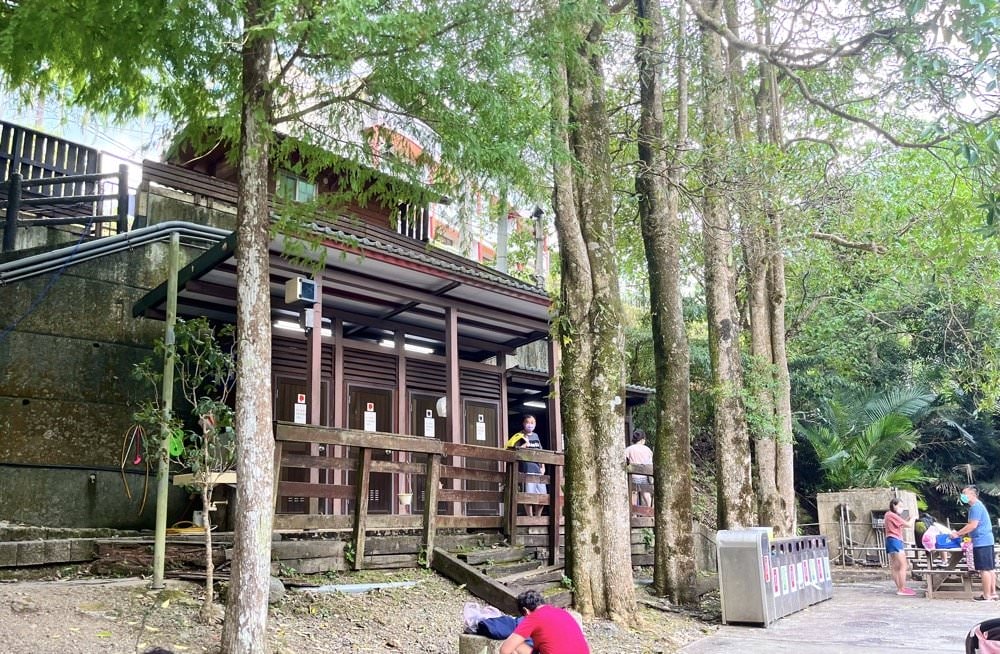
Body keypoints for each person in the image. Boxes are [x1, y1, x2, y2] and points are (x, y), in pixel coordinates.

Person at [499, 590, 590, 654]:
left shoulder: (533, 617)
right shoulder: (562, 612)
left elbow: (505, 650)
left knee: (516, 646)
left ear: (526, 611)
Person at [950, 485, 997, 601]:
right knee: (990, 568)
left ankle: (987, 596)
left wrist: (957, 534)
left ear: (973, 494)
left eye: (965, 493)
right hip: (987, 540)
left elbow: (972, 525)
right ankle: (993, 593)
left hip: (982, 541)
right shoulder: (979, 506)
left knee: (984, 569)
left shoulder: (975, 507)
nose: (963, 496)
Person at [506, 415, 546, 517]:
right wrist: (524, 445)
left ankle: (538, 517)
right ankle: (530, 517)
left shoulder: (536, 436)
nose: (530, 425)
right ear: (523, 423)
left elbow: (541, 452)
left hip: (537, 469)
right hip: (526, 469)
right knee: (528, 494)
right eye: (528, 422)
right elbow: (511, 450)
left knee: (541, 495)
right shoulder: (519, 435)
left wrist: (543, 467)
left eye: (532, 422)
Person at [884, 497, 918, 596]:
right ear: (894, 505)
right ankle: (902, 589)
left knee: (895, 566)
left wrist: (907, 520)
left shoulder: (888, 515)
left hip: (890, 540)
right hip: (895, 541)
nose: (901, 508)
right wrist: (913, 518)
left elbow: (900, 524)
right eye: (900, 506)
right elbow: (908, 525)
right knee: (904, 565)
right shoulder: (892, 515)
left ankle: (900, 587)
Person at [624, 430, 653, 509]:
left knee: (634, 494)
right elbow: (650, 463)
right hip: (644, 477)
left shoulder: (629, 449)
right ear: (642, 440)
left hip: (633, 477)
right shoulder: (647, 450)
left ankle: (634, 514)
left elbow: (624, 460)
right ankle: (650, 511)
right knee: (646, 494)